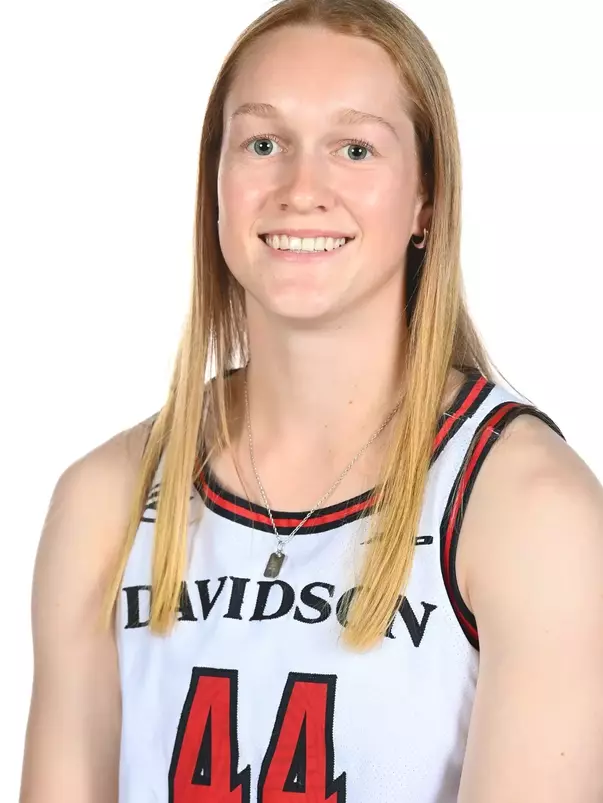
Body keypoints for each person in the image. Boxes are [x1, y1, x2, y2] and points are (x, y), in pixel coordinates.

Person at [20, 0, 603, 801]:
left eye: (354, 149)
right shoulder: (106, 499)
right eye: (263, 143)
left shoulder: (529, 509)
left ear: (426, 200)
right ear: (216, 185)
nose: (301, 189)